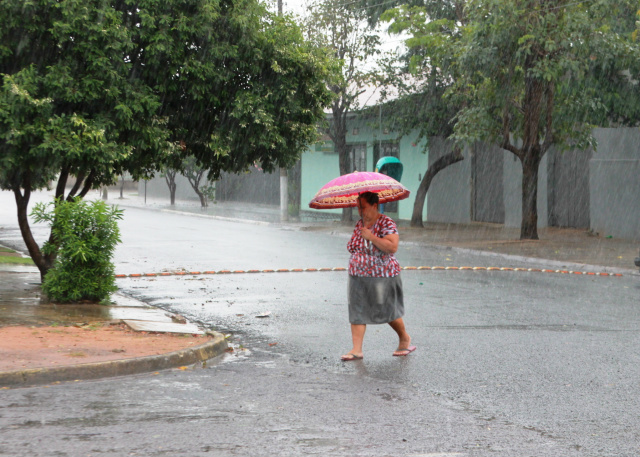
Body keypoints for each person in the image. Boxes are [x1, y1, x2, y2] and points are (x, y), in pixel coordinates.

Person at [341, 191, 415, 361]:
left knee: (386, 309)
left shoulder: (386, 223)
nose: (360, 211)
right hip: (357, 275)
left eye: (363, 207)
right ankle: (356, 349)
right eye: (358, 207)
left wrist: (371, 237)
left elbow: (392, 247)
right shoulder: (359, 224)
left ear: (374, 206)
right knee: (357, 310)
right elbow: (352, 246)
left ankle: (404, 337)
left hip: (382, 275)